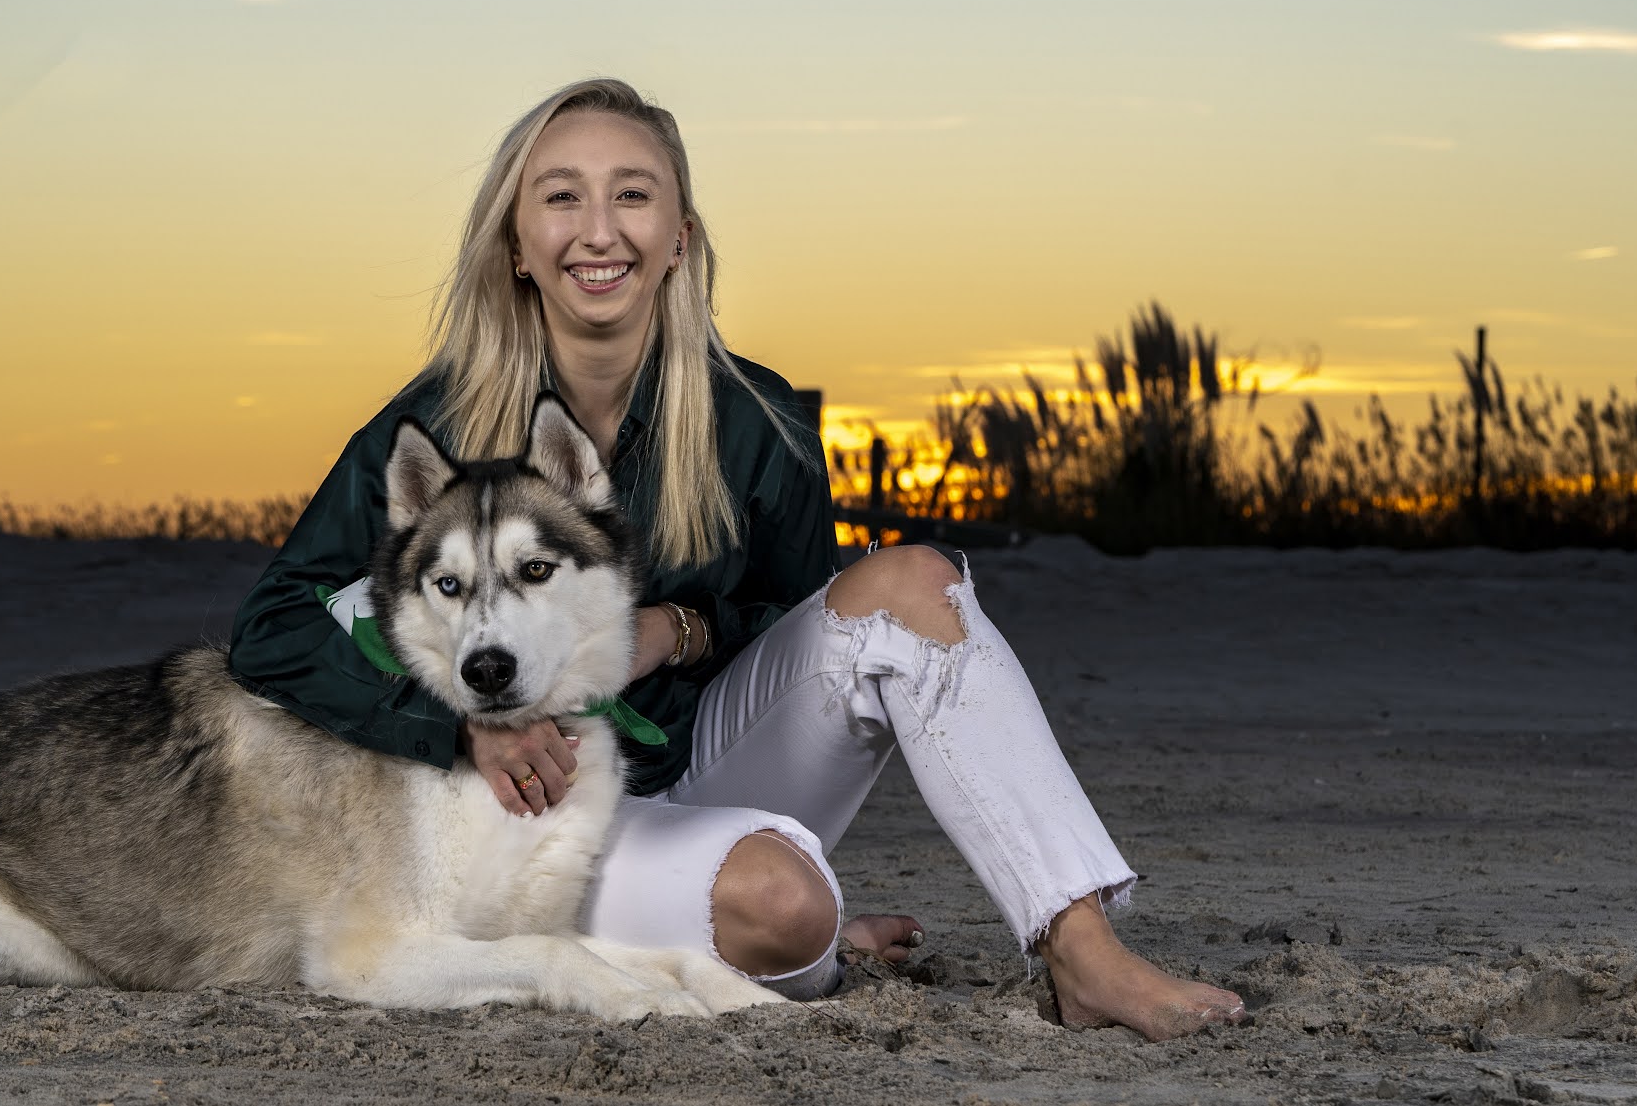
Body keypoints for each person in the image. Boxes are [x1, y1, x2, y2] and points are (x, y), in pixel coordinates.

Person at [229, 78, 1247, 1039]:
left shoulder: (756, 423)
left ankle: (1083, 952)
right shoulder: (432, 424)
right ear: (515, 244)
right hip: (531, 803)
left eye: (632, 195)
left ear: (678, 238)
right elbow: (274, 626)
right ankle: (739, 921)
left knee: (911, 581)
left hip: (707, 754)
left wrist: (676, 628)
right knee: (785, 913)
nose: (598, 229)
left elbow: (808, 636)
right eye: (560, 197)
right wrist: (457, 731)